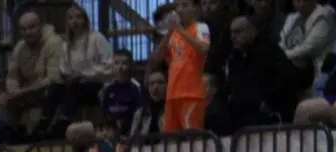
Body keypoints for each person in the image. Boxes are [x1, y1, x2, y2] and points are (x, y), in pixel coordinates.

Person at [208, 14, 301, 131]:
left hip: (268, 113)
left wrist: (264, 103)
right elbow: (231, 87)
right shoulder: (234, 59)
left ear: (252, 31)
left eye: (238, 32)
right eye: (231, 33)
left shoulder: (269, 51)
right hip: (242, 111)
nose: (233, 37)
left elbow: (286, 80)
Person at [3, 9, 66, 132]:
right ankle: (9, 135)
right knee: (5, 99)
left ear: (41, 26)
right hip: (29, 91)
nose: (27, 32)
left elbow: (53, 79)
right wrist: (13, 90)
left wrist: (23, 91)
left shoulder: (54, 43)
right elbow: (12, 76)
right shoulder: (20, 46)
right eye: (23, 29)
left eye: (32, 27)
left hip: (49, 91)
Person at [56, 3, 118, 121]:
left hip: (97, 83)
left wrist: (85, 75)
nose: (74, 21)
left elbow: (109, 66)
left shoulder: (97, 38)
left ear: (85, 20)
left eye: (78, 17)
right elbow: (64, 68)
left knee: (75, 90)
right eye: (71, 18)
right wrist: (70, 76)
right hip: (75, 83)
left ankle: (65, 118)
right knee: (57, 88)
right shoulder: (66, 45)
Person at [159, 0, 212, 131]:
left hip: (192, 93)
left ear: (195, 8)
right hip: (172, 94)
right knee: (170, 139)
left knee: (192, 137)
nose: (180, 9)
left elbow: (203, 48)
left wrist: (180, 30)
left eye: (185, 5)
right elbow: (159, 57)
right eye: (178, 6)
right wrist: (167, 34)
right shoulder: (173, 34)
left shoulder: (200, 27)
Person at [279, 0, 336, 87]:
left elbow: (310, 48)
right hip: (293, 61)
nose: (301, 4)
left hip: (316, 66)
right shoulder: (292, 18)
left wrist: (283, 56)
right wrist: (280, 56)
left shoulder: (324, 15)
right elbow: (282, 41)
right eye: (297, 0)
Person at [99, 51, 150, 133]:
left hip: (131, 132)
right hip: (112, 132)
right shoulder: (106, 89)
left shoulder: (137, 87)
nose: (120, 67)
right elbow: (105, 114)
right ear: (112, 66)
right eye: (116, 63)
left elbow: (139, 115)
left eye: (124, 63)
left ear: (130, 66)